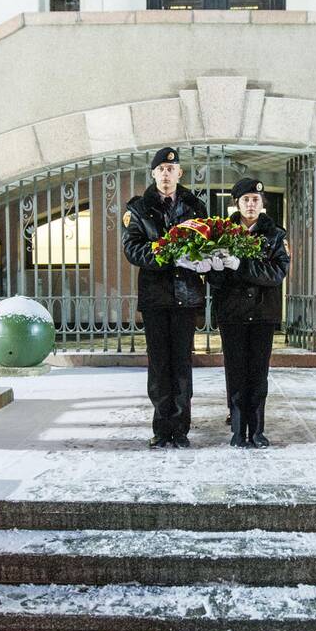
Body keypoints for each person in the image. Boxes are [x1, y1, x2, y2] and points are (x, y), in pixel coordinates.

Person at [122, 147, 209, 449]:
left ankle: (181, 429)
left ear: (179, 173)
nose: (166, 174)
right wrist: (164, 252)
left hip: (186, 297)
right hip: (156, 299)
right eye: (161, 169)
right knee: (159, 365)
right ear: (154, 174)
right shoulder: (138, 209)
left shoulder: (195, 207)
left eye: (171, 169)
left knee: (182, 365)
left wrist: (197, 258)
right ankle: (162, 428)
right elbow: (132, 249)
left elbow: (206, 246)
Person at [208, 178, 290, 448]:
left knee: (258, 373)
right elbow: (214, 279)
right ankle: (237, 430)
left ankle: (256, 430)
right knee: (235, 371)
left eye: (256, 199)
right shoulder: (222, 233)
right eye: (246, 200)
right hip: (232, 313)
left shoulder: (276, 234)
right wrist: (216, 269)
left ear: (262, 202)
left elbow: (277, 273)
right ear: (237, 203)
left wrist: (240, 266)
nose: (251, 204)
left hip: (263, 312)